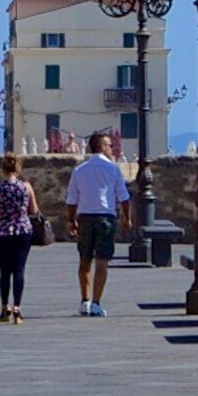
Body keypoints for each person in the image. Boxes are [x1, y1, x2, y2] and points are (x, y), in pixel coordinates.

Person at [66, 129, 131, 316]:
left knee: (84, 260)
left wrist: (72, 221)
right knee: (102, 260)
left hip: (85, 216)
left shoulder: (79, 170)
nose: (112, 148)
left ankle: (84, 300)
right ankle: (96, 302)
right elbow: (123, 197)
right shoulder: (113, 169)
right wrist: (127, 218)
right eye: (110, 145)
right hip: (105, 217)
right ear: (102, 147)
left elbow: (71, 199)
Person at [0, 157, 39, 323]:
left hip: (3, 231)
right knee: (19, 269)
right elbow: (34, 210)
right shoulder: (26, 187)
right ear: (18, 169)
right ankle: (17, 308)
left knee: (4, 271)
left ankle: (5, 308)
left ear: (3, 169)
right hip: (23, 230)